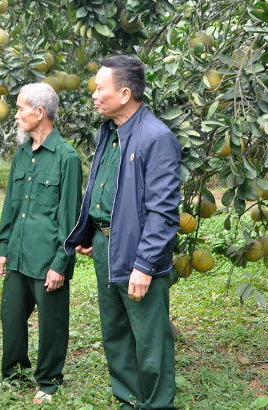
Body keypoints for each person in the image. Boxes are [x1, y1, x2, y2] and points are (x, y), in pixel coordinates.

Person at [65, 55, 181, 409]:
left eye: (101, 89)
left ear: (125, 93)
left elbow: (163, 211)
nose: (94, 95)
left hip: (137, 252)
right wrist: (91, 233)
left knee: (149, 338)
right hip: (105, 246)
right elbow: (105, 188)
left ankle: (157, 404)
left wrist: (145, 265)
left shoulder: (156, 137)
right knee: (115, 332)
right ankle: (129, 400)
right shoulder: (110, 132)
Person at [0, 82, 83, 404]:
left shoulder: (66, 157)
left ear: (40, 112)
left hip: (47, 259)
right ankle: (14, 371)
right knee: (12, 316)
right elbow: (11, 205)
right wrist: (3, 248)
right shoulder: (21, 153)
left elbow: (71, 217)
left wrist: (61, 264)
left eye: (20, 109)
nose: (15, 116)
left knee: (52, 325)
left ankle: (48, 381)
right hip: (18, 253)